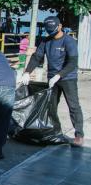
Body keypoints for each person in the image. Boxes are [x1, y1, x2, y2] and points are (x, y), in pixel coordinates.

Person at [21, 16, 84, 147]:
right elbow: (37, 57)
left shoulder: (69, 41)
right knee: (51, 107)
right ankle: (54, 132)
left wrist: (59, 75)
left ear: (60, 26)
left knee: (73, 106)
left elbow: (72, 62)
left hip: (67, 78)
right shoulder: (46, 41)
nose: (51, 33)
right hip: (52, 79)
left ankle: (79, 135)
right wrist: (27, 72)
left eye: (53, 31)